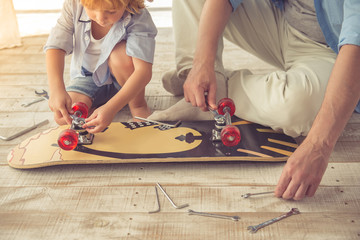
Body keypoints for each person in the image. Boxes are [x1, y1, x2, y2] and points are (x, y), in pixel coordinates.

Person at [149, 0, 360, 200]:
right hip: (283, 22)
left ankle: (215, 89)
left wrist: (318, 145)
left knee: (297, 107)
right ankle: (195, 78)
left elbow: (355, 48)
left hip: (332, 51)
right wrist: (201, 64)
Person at [44, 0, 157, 133]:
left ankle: (138, 105)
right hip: (88, 77)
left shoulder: (138, 17)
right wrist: (56, 90)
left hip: (126, 81)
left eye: (111, 11)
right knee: (64, 117)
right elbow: (55, 47)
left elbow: (143, 72)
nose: (100, 18)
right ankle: (100, 104)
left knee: (119, 56)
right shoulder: (73, 5)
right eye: (92, 9)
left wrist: (111, 108)